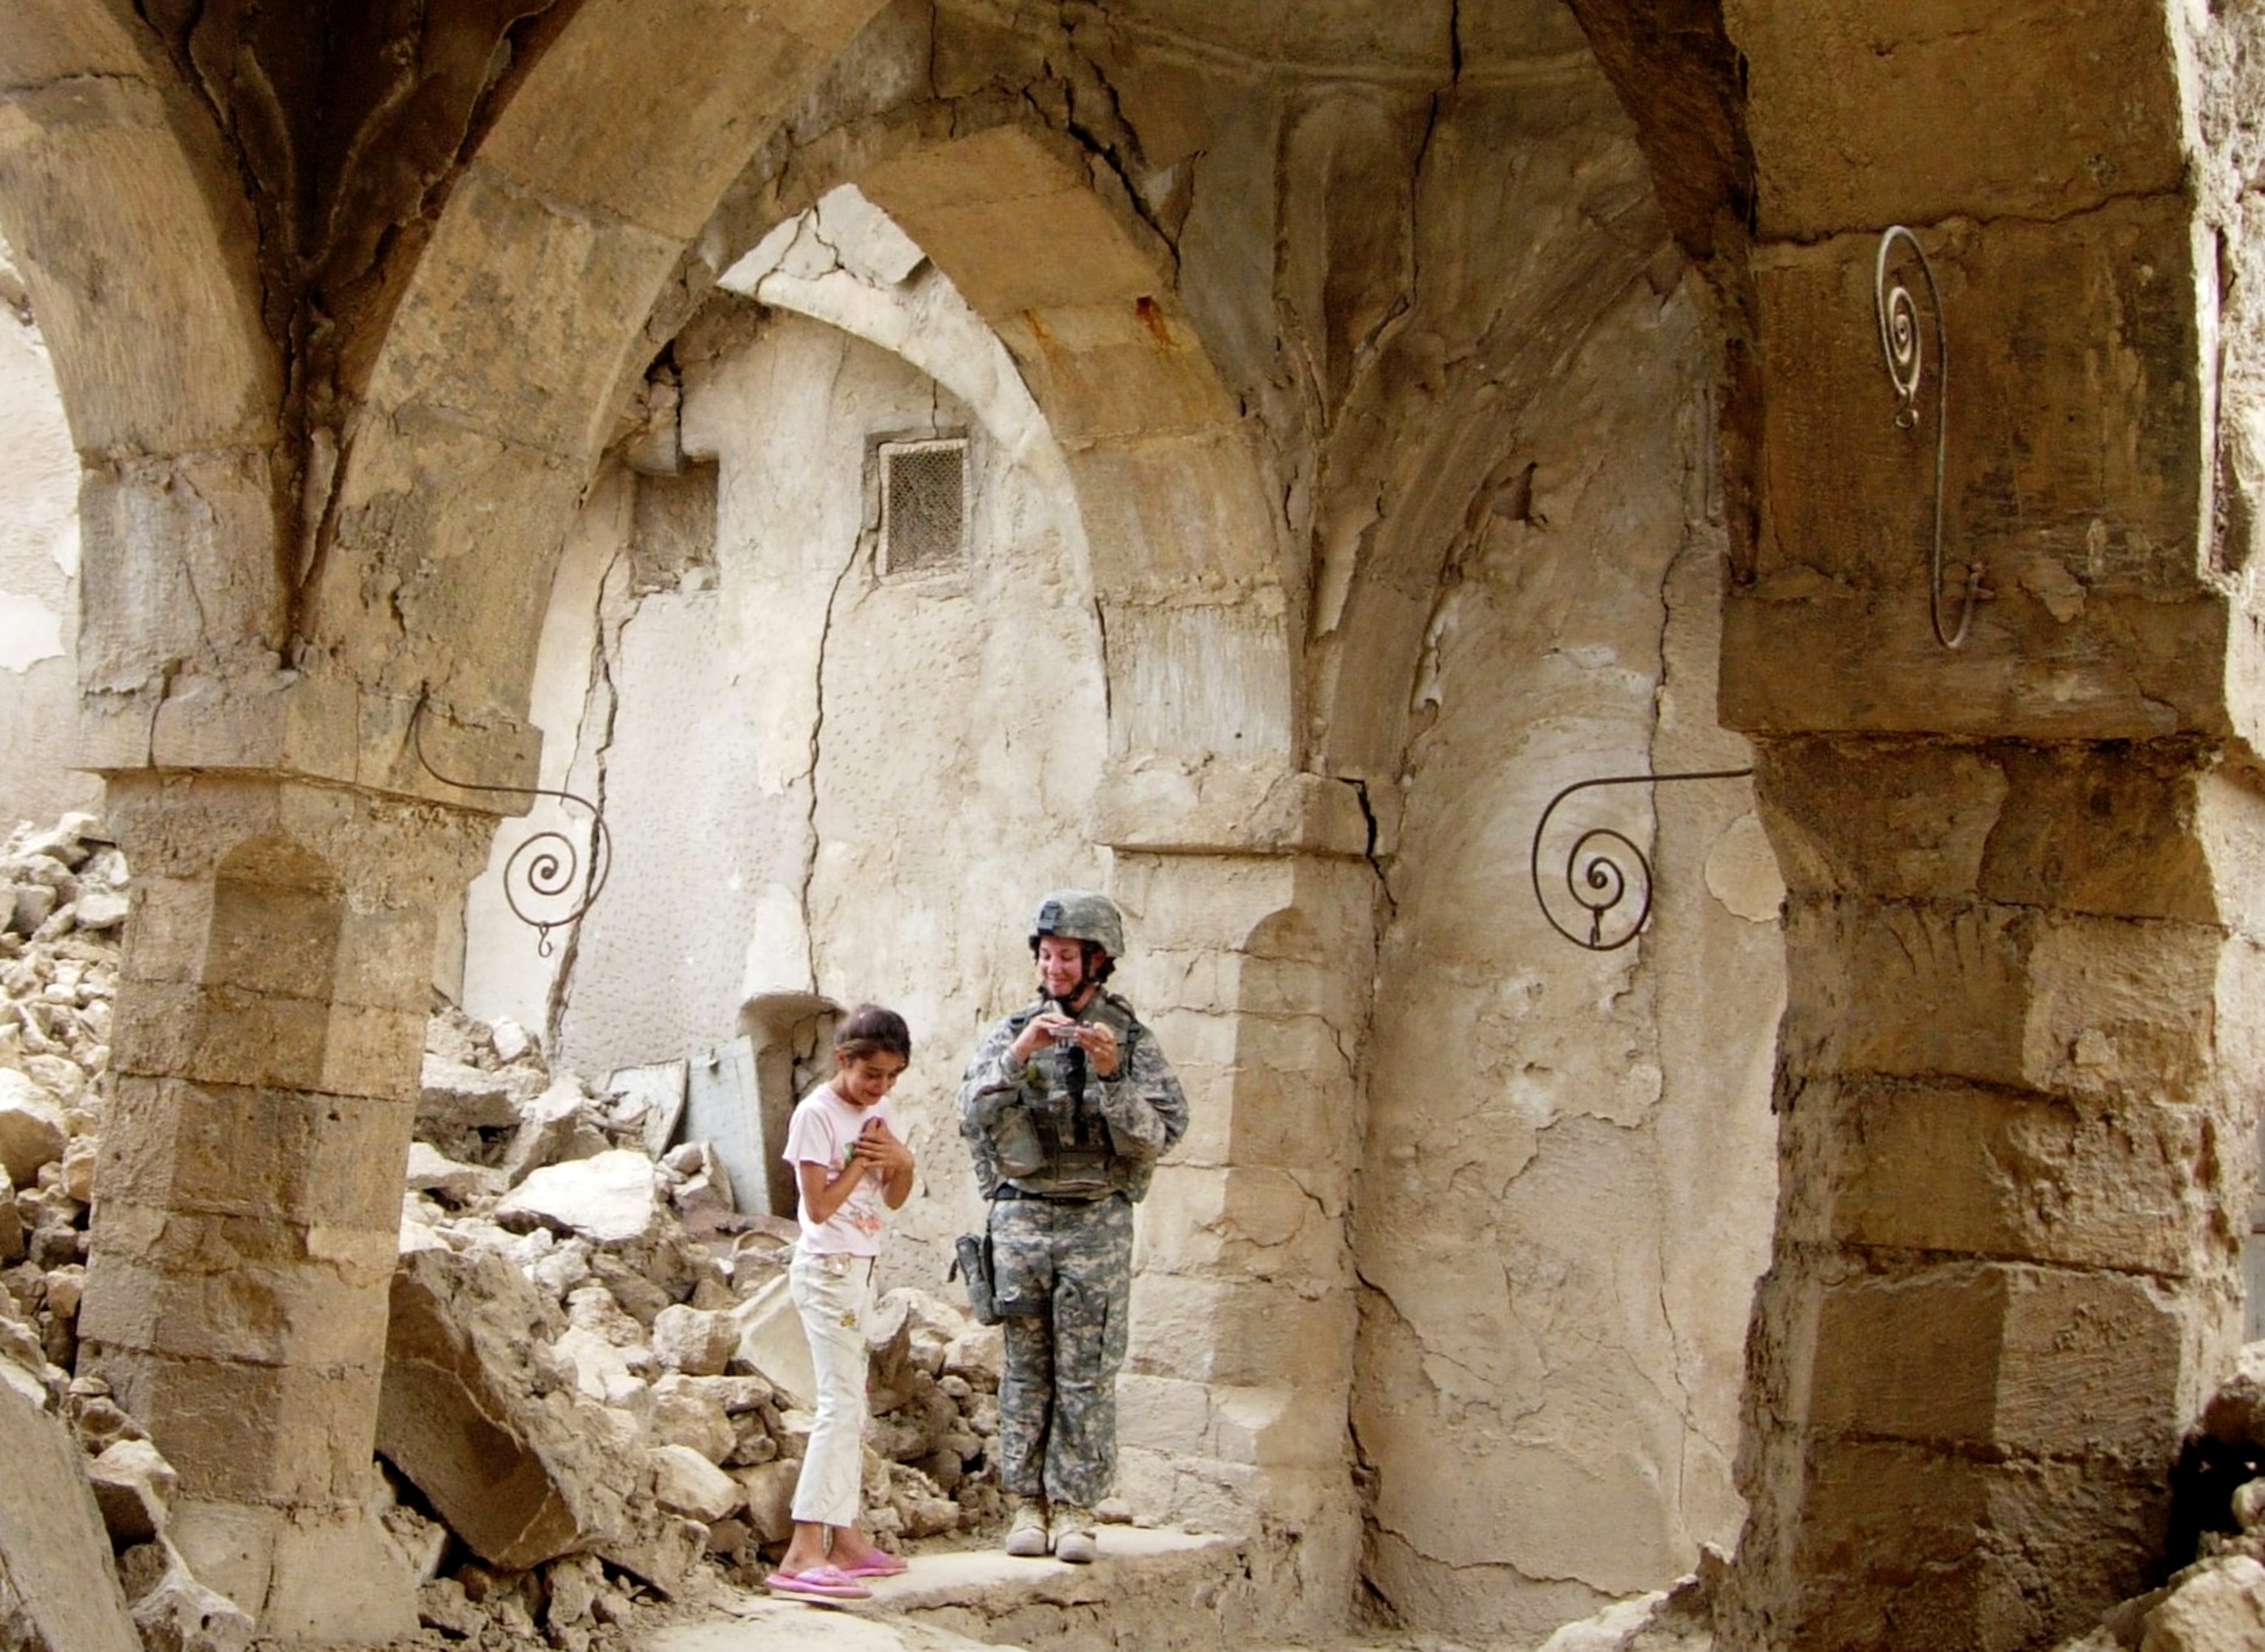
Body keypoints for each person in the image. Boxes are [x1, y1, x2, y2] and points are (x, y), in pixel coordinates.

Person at [958, 891, 1187, 1564]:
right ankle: (1026, 1502)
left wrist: (1113, 1075)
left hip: (1096, 1222)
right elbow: (970, 1113)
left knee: (1086, 1371)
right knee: (1027, 1370)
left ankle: (1076, 1507)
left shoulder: (1132, 1041)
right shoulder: (1012, 1030)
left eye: (1068, 956)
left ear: (1098, 961)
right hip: (1023, 1216)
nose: (1055, 967)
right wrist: (1018, 1055)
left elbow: (1161, 1134)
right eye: (1048, 954)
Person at [765, 1004, 919, 1603]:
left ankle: (847, 1539)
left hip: (862, 1268)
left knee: (853, 1405)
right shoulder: (815, 1115)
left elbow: (894, 1197)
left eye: (892, 1076)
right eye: (871, 1074)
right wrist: (862, 1159)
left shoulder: (880, 1109)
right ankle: (804, 1548)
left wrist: (901, 1161)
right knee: (836, 1405)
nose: (880, 1087)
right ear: (843, 1059)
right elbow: (819, 1207)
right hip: (826, 1269)